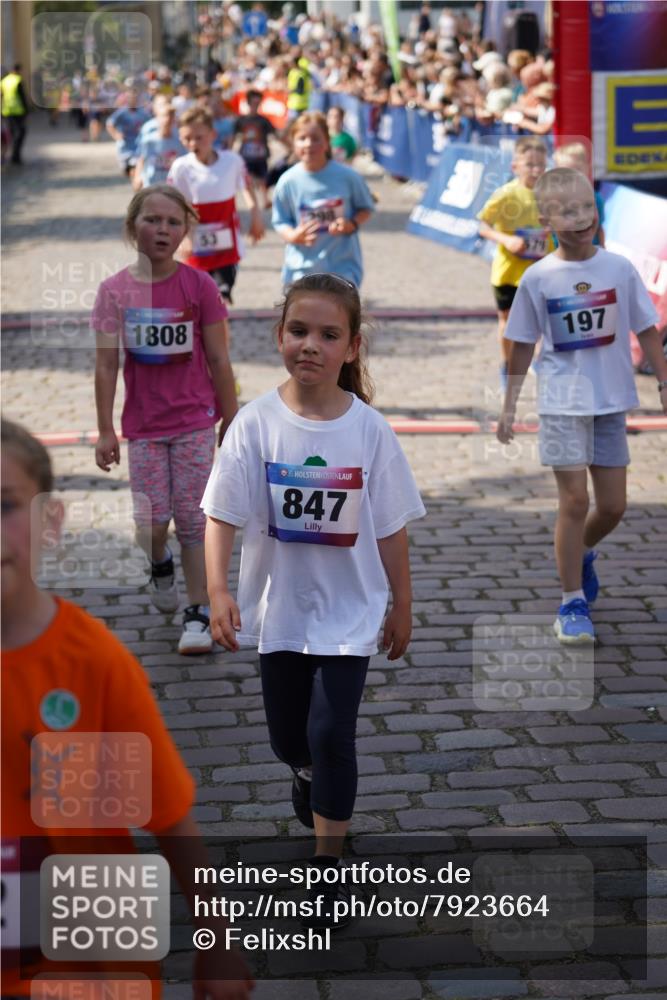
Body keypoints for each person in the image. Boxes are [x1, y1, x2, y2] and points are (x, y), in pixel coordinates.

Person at [1, 418, 254, 1000]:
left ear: (50, 523)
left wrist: (215, 941)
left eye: (6, 505)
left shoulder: (92, 665)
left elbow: (167, 817)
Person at [202, 273, 426, 928]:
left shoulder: (370, 431)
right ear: (278, 337)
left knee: (332, 735)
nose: (310, 345)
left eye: (328, 335)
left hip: (350, 614)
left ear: (351, 348)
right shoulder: (254, 424)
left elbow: (390, 524)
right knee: (287, 738)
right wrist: (216, 589)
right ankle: (300, 775)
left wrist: (401, 604)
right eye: (298, 331)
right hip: (279, 613)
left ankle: (327, 865)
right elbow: (220, 513)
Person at [497, 168, 667, 643]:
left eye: (587, 208)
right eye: (568, 211)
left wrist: (664, 381)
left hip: (611, 402)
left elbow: (647, 329)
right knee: (574, 500)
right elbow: (522, 344)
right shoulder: (538, 277)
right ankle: (572, 601)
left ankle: (583, 552)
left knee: (612, 506)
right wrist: (509, 403)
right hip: (561, 403)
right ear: (546, 218)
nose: (581, 218)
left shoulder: (618, 269)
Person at [93, 185, 238, 654]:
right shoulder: (115, 291)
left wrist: (230, 418)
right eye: (152, 219)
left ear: (185, 231)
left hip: (195, 420)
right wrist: (105, 429)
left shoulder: (199, 287)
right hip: (145, 428)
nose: (162, 229)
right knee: (152, 522)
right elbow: (107, 365)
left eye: (173, 222)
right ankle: (159, 562)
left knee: (193, 518)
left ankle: (197, 611)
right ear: (132, 224)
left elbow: (219, 359)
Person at [168, 106, 265, 305]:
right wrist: (183, 237)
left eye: (199, 137)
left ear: (213, 135)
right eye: (187, 138)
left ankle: (220, 332)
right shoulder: (181, 167)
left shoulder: (232, 161)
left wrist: (256, 218)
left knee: (223, 295)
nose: (193, 143)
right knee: (199, 298)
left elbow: (247, 188)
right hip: (196, 243)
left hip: (226, 243)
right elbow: (176, 204)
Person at [477, 136, 553, 388]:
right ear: (515, 167)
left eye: (540, 164)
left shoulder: (552, 195)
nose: (536, 170)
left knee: (544, 321)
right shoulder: (505, 195)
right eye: (529, 164)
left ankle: (541, 363)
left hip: (542, 271)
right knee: (507, 322)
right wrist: (506, 240)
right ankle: (508, 366)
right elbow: (483, 226)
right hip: (508, 272)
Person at [272, 111, 375, 289]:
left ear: (327, 142)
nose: (309, 144)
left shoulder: (348, 177)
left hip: (343, 268)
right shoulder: (288, 181)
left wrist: (351, 224)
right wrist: (293, 235)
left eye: (316, 138)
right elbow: (280, 220)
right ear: (293, 143)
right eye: (302, 138)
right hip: (300, 268)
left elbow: (366, 208)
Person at [553, 142, 605, 247]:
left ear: (587, 168)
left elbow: (599, 228)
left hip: (590, 253)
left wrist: (603, 248)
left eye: (576, 170)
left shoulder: (596, 198)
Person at [234, 88, 275, 209]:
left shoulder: (264, 121)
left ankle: (265, 200)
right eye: (253, 103)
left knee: (263, 178)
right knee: (247, 179)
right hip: (246, 155)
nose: (255, 106)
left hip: (261, 154)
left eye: (258, 103)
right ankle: (252, 202)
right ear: (248, 103)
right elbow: (234, 137)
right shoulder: (241, 120)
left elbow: (275, 135)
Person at [133, 102, 184, 189]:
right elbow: (141, 159)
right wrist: (137, 177)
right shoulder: (149, 140)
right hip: (151, 184)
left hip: (171, 186)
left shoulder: (180, 140)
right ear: (157, 118)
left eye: (171, 116)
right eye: (165, 116)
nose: (168, 119)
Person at [106, 86, 150, 180]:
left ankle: (136, 186)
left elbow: (151, 125)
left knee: (135, 170)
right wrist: (116, 134)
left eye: (134, 98)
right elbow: (109, 124)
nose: (132, 100)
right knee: (127, 171)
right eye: (130, 98)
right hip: (125, 147)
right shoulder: (122, 112)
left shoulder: (143, 113)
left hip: (138, 147)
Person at [1, 63, 29, 165]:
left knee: (12, 133)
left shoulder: (4, 81)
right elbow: (23, 97)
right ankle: (15, 155)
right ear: (18, 70)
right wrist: (27, 111)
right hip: (18, 111)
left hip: (7, 111)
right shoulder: (18, 80)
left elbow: (1, 96)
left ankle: (13, 155)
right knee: (21, 132)